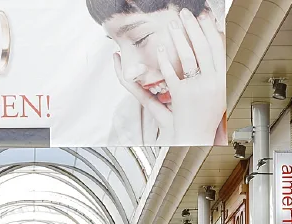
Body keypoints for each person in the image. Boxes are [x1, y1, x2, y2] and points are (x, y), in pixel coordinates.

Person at [86, 0, 227, 147]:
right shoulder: (131, 121)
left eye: (140, 39)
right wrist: (188, 137)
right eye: (119, 45)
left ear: (209, 12)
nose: (128, 72)